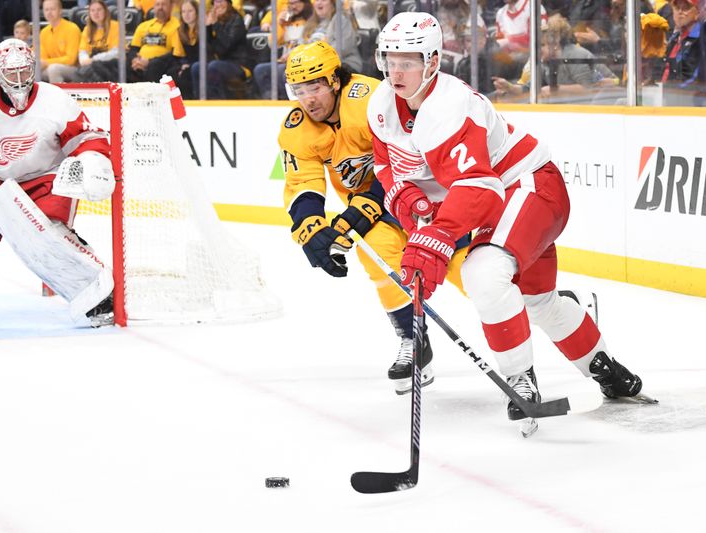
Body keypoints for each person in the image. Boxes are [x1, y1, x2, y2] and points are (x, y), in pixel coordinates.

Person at [367, 12, 646, 423]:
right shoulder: (382, 103)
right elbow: (384, 164)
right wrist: (405, 198)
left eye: (407, 61)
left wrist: (437, 237)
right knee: (538, 302)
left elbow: (478, 186)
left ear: (432, 61)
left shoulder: (450, 106)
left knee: (484, 272)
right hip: (498, 200)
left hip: (530, 186)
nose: (395, 71)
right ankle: (607, 370)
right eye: (389, 60)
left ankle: (519, 379)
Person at [279, 41, 469, 395]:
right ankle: (415, 342)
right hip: (377, 207)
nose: (308, 99)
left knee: (468, 274)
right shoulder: (297, 127)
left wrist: (361, 209)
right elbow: (302, 182)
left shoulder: (372, 100)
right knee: (376, 253)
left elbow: (406, 162)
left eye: (315, 86)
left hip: (429, 197)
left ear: (335, 80)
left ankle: (545, 305)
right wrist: (311, 230)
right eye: (299, 90)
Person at [0, 39, 115, 327]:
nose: (19, 80)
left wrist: (94, 162)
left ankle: (96, 294)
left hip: (44, 177)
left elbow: (87, 139)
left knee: (45, 235)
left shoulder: (55, 100)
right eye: (12, 73)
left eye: (24, 71)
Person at [253, 0, 312, 99]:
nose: (293, 6)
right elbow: (273, 43)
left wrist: (293, 55)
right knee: (260, 70)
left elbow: (309, 44)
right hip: (286, 61)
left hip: (303, 61)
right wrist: (279, 25)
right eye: (290, 3)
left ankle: (285, 100)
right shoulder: (286, 23)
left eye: (296, 3)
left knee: (282, 71)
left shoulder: (311, 21)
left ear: (305, 3)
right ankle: (270, 100)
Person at [193, 0, 249, 99]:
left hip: (238, 64)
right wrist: (208, 28)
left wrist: (215, 25)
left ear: (229, 4)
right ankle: (201, 102)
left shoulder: (237, 20)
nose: (218, 5)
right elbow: (206, 48)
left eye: (221, 1)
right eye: (216, 2)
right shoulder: (215, 22)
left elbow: (225, 47)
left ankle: (217, 103)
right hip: (219, 63)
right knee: (197, 67)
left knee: (214, 66)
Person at [56, 0, 120, 83]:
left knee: (85, 72)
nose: (95, 13)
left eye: (99, 10)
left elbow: (116, 52)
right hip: (90, 66)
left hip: (110, 65)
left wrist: (93, 59)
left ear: (105, 11)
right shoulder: (87, 29)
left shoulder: (115, 26)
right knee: (83, 72)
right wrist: (85, 60)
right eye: (92, 10)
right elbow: (82, 52)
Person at [128, 0, 187, 83]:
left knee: (155, 65)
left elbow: (175, 53)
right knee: (120, 63)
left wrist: (149, 61)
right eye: (157, 4)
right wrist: (135, 60)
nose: (160, 7)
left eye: (164, 4)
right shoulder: (143, 26)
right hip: (139, 63)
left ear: (171, 7)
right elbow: (133, 49)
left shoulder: (177, 26)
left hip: (163, 62)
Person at [39, 0, 82, 82]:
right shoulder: (43, 32)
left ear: (60, 11)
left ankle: (58, 95)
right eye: (46, 9)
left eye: (52, 9)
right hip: (51, 67)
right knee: (32, 71)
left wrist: (46, 62)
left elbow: (71, 60)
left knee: (53, 69)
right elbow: (42, 58)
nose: (49, 12)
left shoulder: (72, 28)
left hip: (74, 69)